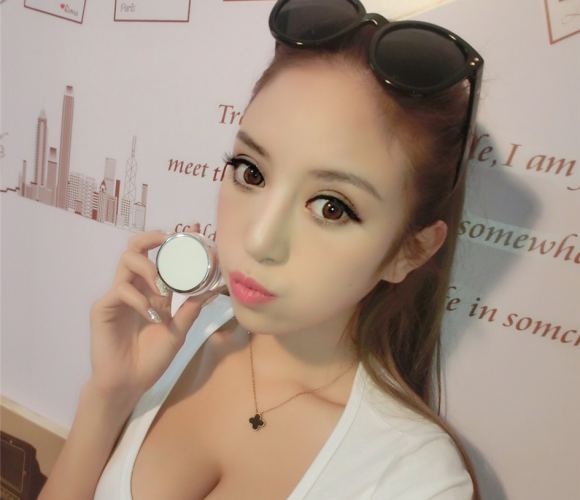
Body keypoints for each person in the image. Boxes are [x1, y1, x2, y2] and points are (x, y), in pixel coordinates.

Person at [39, 1, 484, 498]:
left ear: (411, 251)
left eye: (332, 207)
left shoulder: (413, 479)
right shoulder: (170, 334)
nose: (258, 240)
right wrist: (109, 395)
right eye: (250, 172)